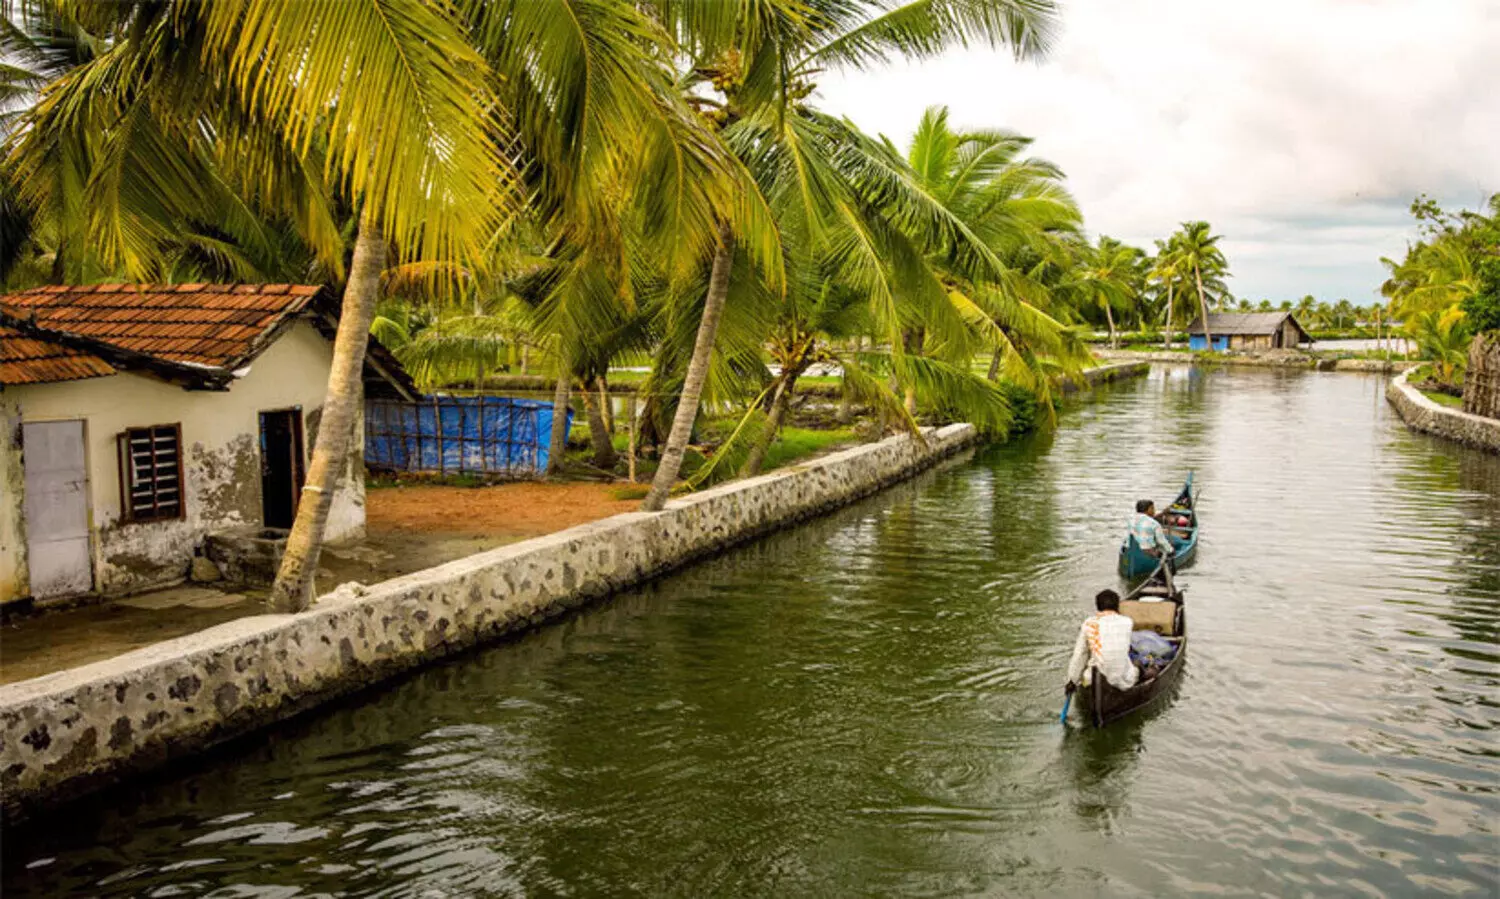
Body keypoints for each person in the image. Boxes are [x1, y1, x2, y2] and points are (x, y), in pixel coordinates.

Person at [1065, 589, 1138, 695]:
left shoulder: (1089, 623)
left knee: (1088, 661)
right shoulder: (1128, 622)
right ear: (1117, 606)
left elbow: (1080, 654)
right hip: (1123, 680)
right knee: (1136, 665)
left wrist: (1072, 681)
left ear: (1097, 606)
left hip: (1092, 680)